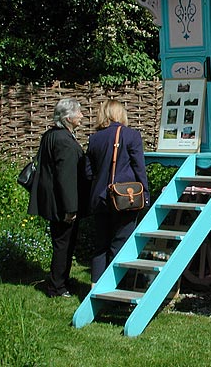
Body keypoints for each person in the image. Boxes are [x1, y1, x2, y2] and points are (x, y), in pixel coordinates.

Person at [28, 97, 88, 298]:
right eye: (78, 112)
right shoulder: (64, 141)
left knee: (59, 242)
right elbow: (66, 177)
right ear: (68, 117)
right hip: (62, 202)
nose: (81, 116)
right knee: (64, 244)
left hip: (51, 199)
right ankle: (57, 286)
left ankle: (59, 279)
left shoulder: (50, 136)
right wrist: (70, 208)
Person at [86, 99, 150, 286]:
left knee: (101, 246)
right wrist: (145, 194)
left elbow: (88, 173)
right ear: (120, 114)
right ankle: (116, 288)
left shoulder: (94, 139)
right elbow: (139, 168)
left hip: (99, 199)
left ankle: (95, 288)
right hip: (124, 198)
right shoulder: (131, 136)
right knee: (121, 243)